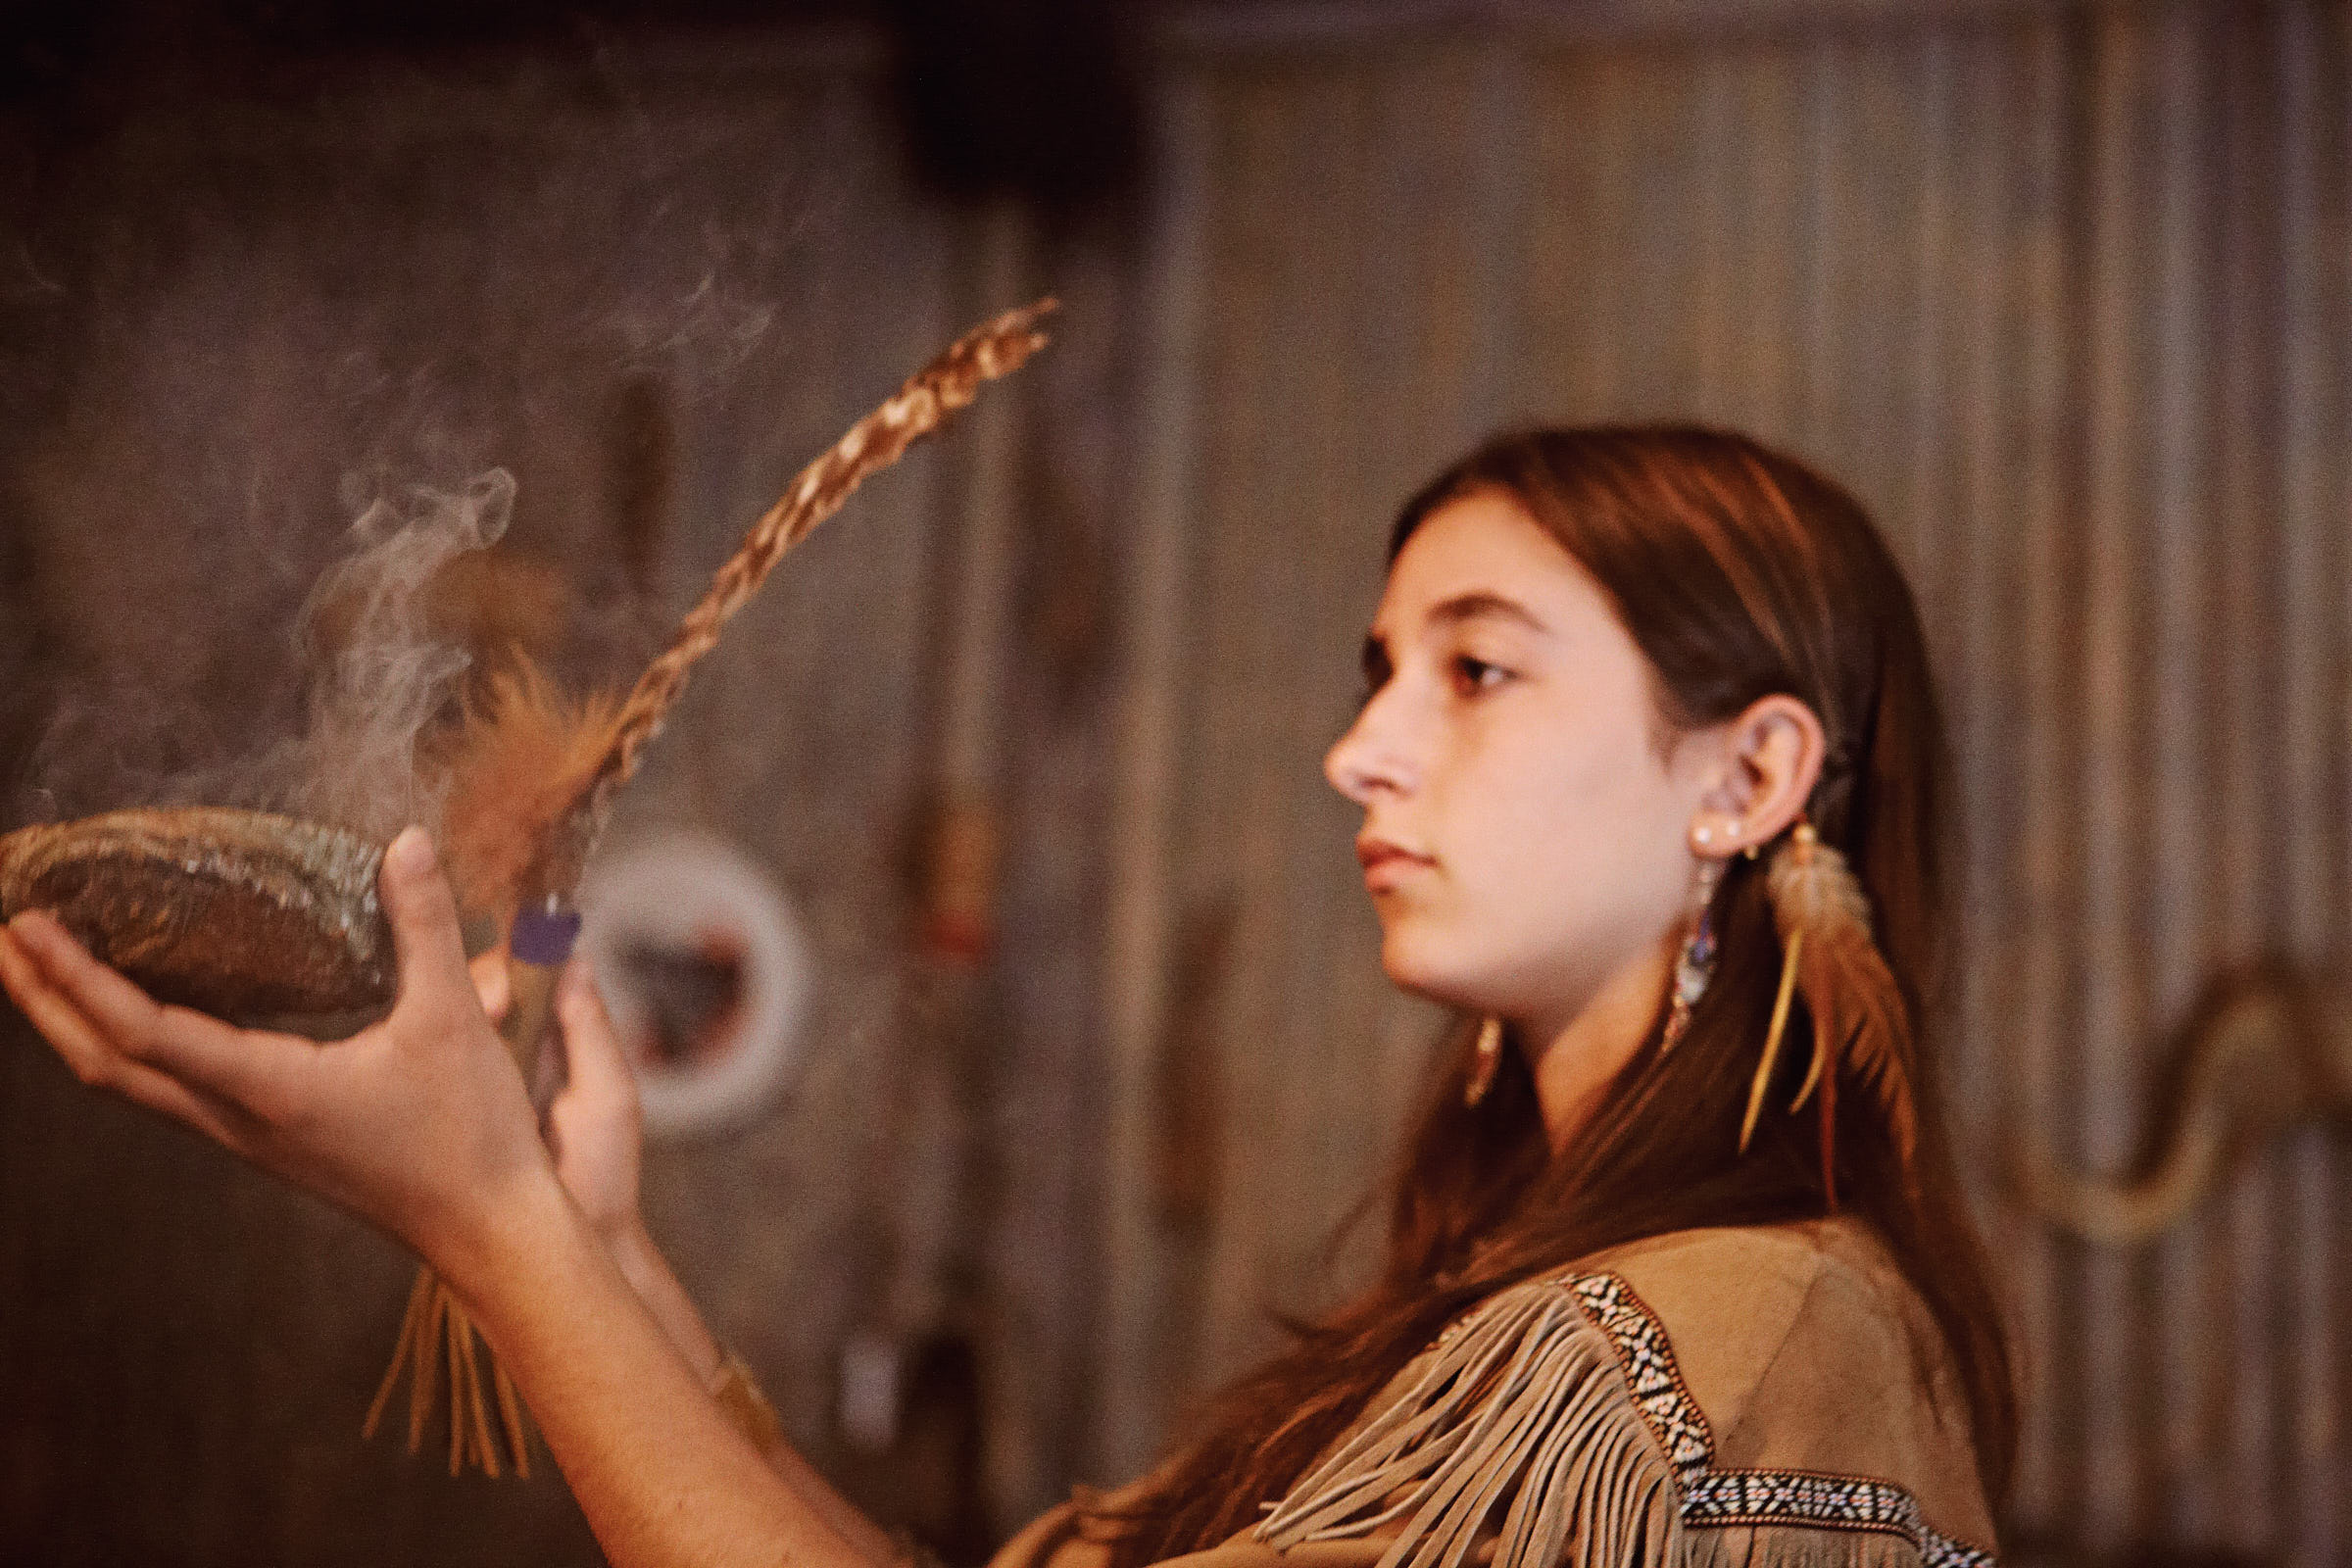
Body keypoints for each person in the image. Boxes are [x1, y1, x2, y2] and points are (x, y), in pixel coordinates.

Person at [0, 424, 2013, 1568]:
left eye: (1473, 669)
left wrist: (488, 1226)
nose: (1360, 748)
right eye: (1375, 667)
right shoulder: (1547, 1290)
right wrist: (600, 1251)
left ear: (1749, 778)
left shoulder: (1731, 1334)